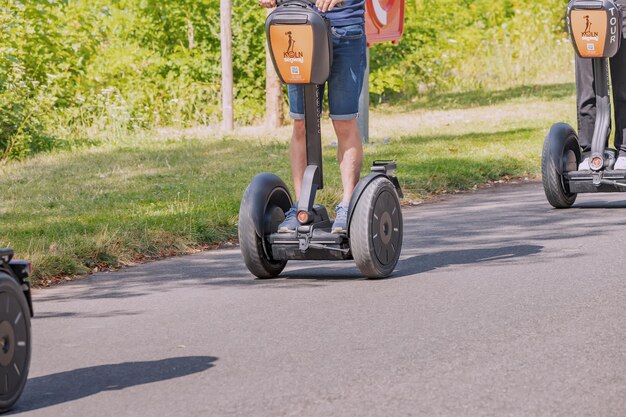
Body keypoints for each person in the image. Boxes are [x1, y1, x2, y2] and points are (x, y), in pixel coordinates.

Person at [259, 0, 367, 233]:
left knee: (344, 121)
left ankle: (348, 205)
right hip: (298, 26)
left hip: (344, 30)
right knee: (301, 122)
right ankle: (301, 207)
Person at [576, 0, 626, 170]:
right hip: (584, 6)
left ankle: (625, 150)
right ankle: (591, 151)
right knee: (587, 88)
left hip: (622, 6)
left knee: (623, 85)